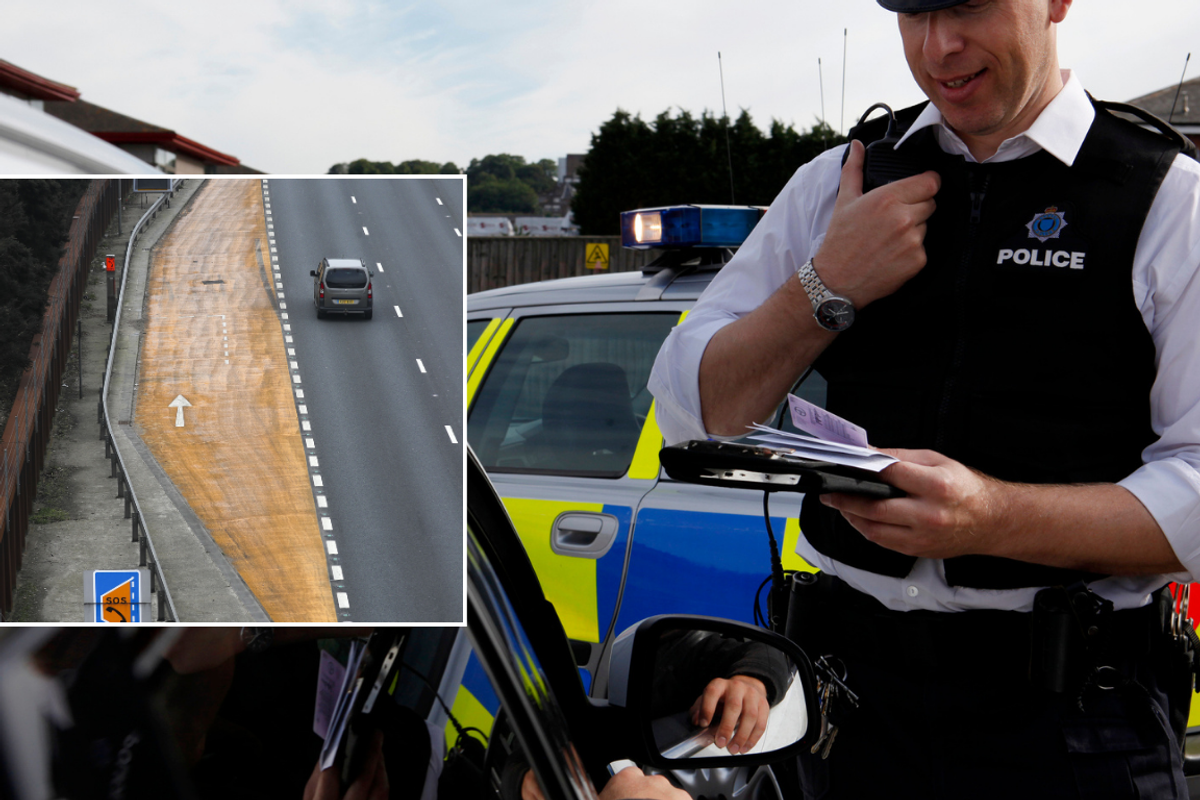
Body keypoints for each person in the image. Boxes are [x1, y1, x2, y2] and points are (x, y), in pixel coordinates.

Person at [647, 0, 1200, 796]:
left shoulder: (1168, 199)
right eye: (913, 13)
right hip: (846, 711)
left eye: (968, 6)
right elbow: (693, 415)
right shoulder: (840, 181)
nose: (938, 47)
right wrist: (825, 285)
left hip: (1074, 723)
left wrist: (993, 518)